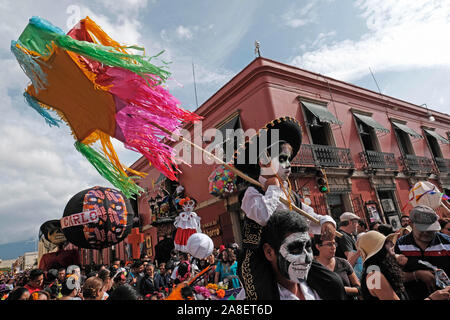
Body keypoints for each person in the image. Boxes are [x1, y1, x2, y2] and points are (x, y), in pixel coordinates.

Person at [236, 117, 338, 300]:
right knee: (262, 296)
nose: (288, 164)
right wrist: (273, 187)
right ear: (264, 162)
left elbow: (310, 217)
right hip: (263, 258)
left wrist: (326, 222)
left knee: (333, 283)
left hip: (297, 253)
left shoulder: (291, 196)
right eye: (282, 159)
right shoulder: (251, 193)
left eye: (289, 159)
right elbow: (262, 216)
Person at [236, 209, 345, 300]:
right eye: (295, 249)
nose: (306, 259)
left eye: (308, 247)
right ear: (269, 252)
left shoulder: (326, 288)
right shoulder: (252, 297)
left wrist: (327, 221)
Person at [358, 230, 450, 300]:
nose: (392, 243)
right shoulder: (374, 276)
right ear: (378, 250)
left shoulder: (380, 268)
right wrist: (432, 298)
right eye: (386, 242)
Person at [394, 205, 450, 300]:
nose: (427, 232)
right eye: (423, 229)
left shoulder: (447, 243)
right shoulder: (400, 245)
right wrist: (416, 274)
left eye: (431, 229)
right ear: (411, 224)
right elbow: (394, 275)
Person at [314, 234, 361, 300]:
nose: (333, 247)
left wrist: (343, 289)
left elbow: (359, 288)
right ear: (318, 246)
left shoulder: (343, 263)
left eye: (334, 243)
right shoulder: (311, 267)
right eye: (329, 244)